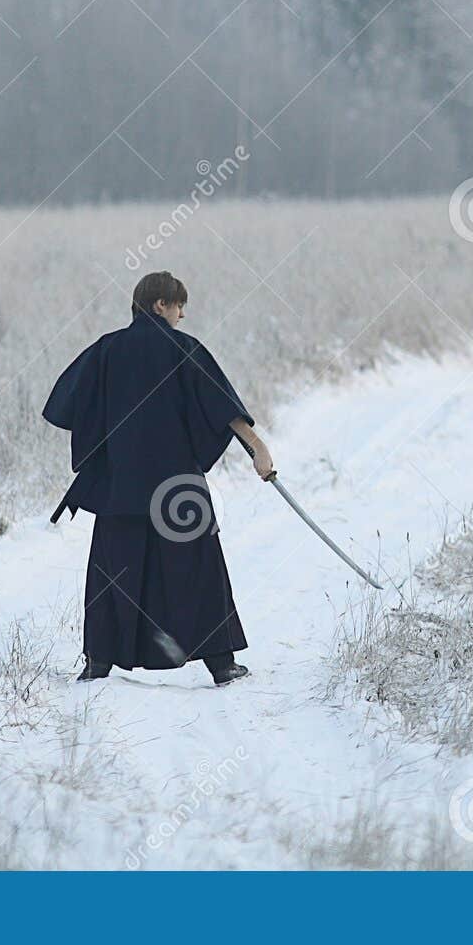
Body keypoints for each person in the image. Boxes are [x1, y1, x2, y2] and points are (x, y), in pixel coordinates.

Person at [41, 270, 275, 686]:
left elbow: (64, 404)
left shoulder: (106, 350)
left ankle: (98, 662)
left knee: (114, 571)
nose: (183, 315)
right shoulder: (184, 350)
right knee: (197, 567)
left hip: (120, 486)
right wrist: (258, 448)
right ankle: (221, 664)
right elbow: (221, 407)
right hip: (176, 486)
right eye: (179, 304)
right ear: (159, 305)